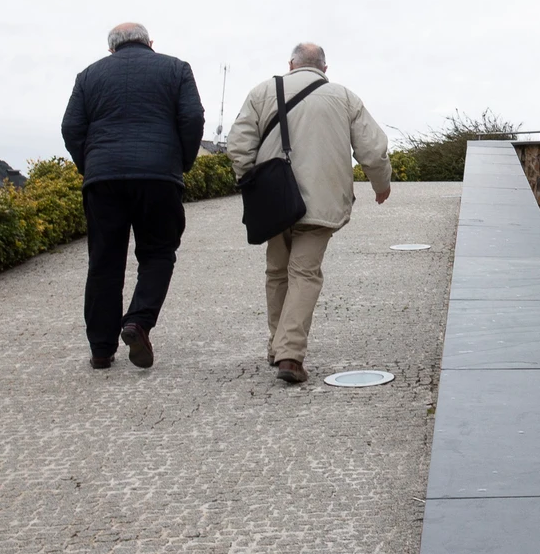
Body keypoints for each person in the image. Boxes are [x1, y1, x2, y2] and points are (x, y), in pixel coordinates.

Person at [226, 42, 391, 384]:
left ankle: (277, 346)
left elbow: (238, 145)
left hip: (273, 200)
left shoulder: (262, 92)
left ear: (291, 65)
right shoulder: (344, 97)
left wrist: (251, 183)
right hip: (321, 202)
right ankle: (290, 354)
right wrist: (380, 185)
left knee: (277, 272)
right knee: (304, 273)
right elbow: (373, 150)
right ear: (324, 69)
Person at [61, 22, 205, 370]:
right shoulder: (176, 68)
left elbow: (71, 127)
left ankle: (100, 349)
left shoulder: (88, 76)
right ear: (150, 43)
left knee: (104, 262)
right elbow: (192, 117)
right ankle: (137, 322)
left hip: (103, 180)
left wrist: (90, 165)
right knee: (158, 253)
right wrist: (180, 162)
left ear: (112, 49)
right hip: (158, 177)